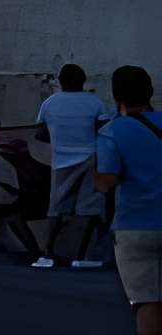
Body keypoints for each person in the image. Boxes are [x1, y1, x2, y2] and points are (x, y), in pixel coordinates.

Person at [91, 63, 161, 335]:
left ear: (116, 95)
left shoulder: (112, 132)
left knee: (148, 303)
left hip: (136, 226)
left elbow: (105, 182)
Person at [34, 62, 113, 270]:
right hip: (90, 159)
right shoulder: (94, 102)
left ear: (60, 81)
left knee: (56, 210)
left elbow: (41, 133)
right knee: (92, 209)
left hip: (60, 161)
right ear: (83, 81)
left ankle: (47, 253)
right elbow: (103, 130)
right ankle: (90, 253)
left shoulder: (49, 103)